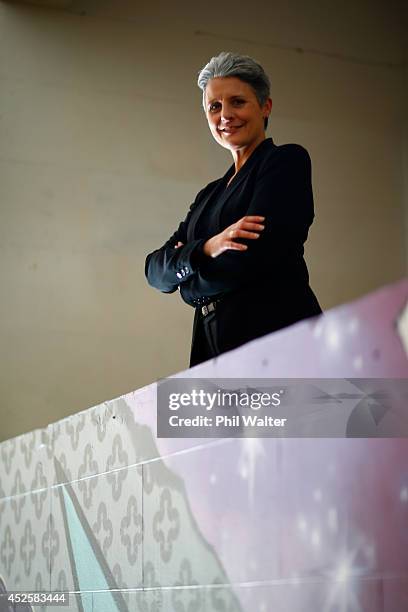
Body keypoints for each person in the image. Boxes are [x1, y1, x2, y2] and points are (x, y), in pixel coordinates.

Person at [145, 51, 322, 367]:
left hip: (279, 343)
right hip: (213, 350)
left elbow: (251, 257)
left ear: (265, 106)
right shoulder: (208, 196)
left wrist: (188, 288)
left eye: (237, 102)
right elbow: (155, 271)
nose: (225, 114)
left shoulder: (285, 162)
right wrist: (208, 248)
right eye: (215, 107)